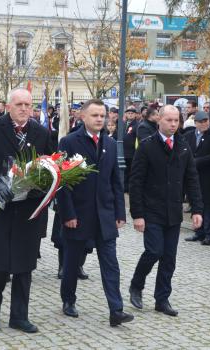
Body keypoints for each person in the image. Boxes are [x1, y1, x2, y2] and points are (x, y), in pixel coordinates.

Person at [0, 88, 53, 333]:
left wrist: (40, 184)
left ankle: (19, 315)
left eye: (28, 104)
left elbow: (50, 164)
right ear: (8, 105)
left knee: (25, 264)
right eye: (19, 104)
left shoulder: (41, 132)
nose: (24, 108)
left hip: (28, 208)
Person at [56, 99, 133, 326]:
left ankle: (116, 310)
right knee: (72, 261)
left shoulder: (109, 143)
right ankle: (68, 299)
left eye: (103, 115)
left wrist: (120, 212)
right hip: (78, 215)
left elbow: (115, 182)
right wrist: (67, 214)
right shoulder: (69, 142)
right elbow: (61, 182)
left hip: (105, 215)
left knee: (110, 263)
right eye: (95, 115)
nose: (100, 119)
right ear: (83, 117)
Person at [128, 105, 203, 317]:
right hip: (151, 210)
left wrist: (197, 209)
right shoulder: (147, 145)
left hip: (173, 211)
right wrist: (138, 215)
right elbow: (136, 182)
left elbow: (192, 179)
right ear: (159, 120)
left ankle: (162, 299)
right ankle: (137, 284)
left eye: (176, 120)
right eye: (168, 120)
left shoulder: (183, 145)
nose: (172, 124)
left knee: (169, 257)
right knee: (154, 251)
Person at [184, 111, 210, 245]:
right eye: (201, 121)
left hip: (208, 176)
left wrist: (197, 161)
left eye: (206, 121)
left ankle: (209, 234)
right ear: (195, 123)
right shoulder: (188, 136)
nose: (205, 123)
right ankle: (198, 232)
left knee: (209, 206)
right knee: (196, 204)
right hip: (193, 178)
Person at [123, 107, 138, 191]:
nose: (130, 114)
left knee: (131, 171)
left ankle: (129, 188)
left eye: (132, 113)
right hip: (124, 151)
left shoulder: (137, 124)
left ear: (135, 115)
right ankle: (125, 187)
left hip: (132, 152)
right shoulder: (124, 123)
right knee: (125, 171)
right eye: (128, 113)